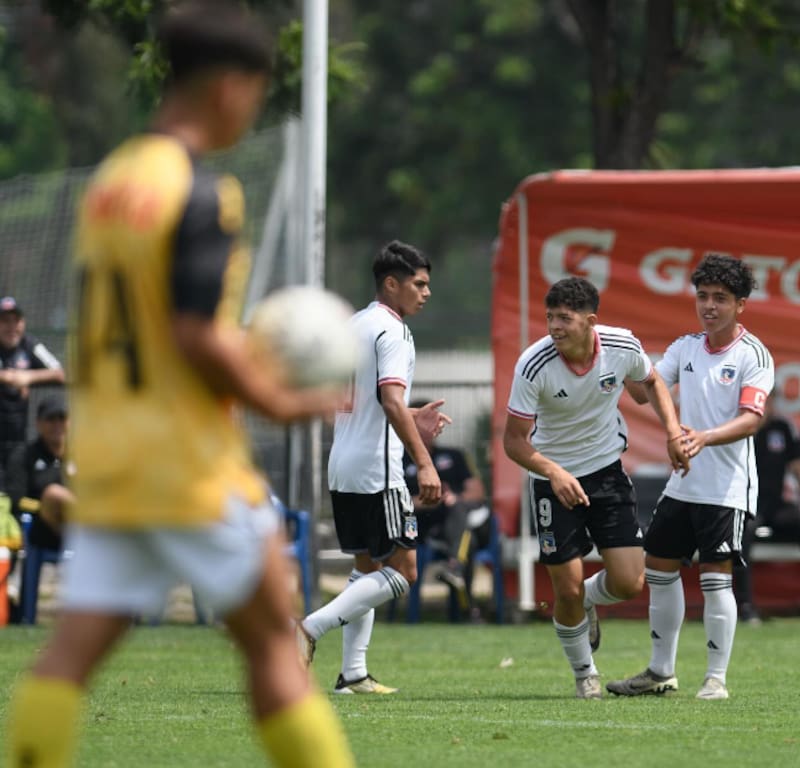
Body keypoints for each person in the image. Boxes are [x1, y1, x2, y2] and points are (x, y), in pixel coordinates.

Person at [6, 4, 354, 767]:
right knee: (273, 638)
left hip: (111, 458)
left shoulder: (112, 180)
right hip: (190, 463)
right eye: (257, 93)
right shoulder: (199, 193)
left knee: (70, 653)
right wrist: (280, 399)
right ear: (230, 86)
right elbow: (191, 334)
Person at [503, 276, 688, 699]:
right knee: (563, 588)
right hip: (554, 482)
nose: (554, 326)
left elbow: (653, 382)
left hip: (606, 472)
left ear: (590, 321)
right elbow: (513, 441)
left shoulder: (621, 346)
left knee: (628, 584)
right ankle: (585, 674)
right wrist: (553, 471)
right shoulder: (533, 364)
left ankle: (585, 601)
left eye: (564, 318)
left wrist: (673, 432)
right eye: (550, 317)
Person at [607, 254, 774, 701]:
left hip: (726, 487)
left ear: (741, 304)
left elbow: (751, 418)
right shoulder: (685, 348)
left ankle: (715, 678)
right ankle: (661, 671)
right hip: (682, 484)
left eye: (721, 298)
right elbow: (645, 391)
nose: (709, 306)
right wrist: (623, 361)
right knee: (658, 569)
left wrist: (701, 438)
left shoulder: (752, 354)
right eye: (702, 296)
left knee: (715, 577)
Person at [297, 239, 450, 694]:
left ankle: (354, 674)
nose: (425, 293)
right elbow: (389, 399)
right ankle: (305, 630)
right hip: (376, 470)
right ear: (391, 283)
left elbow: (359, 400)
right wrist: (424, 462)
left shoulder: (354, 325)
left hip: (342, 462)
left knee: (367, 568)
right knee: (403, 572)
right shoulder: (393, 330)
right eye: (418, 284)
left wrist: (411, 415)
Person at [403, 399, 491, 620]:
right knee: (466, 544)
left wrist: (454, 498)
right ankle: (466, 605)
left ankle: (455, 567)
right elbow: (396, 502)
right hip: (428, 529)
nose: (437, 426)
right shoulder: (398, 460)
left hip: (469, 519)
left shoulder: (454, 456)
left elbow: (478, 491)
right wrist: (431, 499)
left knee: (459, 508)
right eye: (430, 421)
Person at [734, 393, 800, 623]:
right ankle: (745, 606)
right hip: (748, 506)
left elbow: (796, 466)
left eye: (770, 400)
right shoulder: (737, 428)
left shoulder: (782, 428)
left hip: (777, 505)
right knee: (744, 535)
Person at [0, 296, 65, 487]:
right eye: (5, 321)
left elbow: (61, 374)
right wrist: (8, 377)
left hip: (18, 440)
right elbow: (10, 378)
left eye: (16, 321)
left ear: (23, 323)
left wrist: (28, 378)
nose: (12, 327)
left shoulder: (29, 345)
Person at [5, 394, 72, 553]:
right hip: (41, 527)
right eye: (51, 419)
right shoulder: (24, 455)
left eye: (62, 418)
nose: (57, 424)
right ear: (38, 423)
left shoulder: (84, 454)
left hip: (82, 521)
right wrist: (46, 506)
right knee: (54, 494)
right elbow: (16, 498)